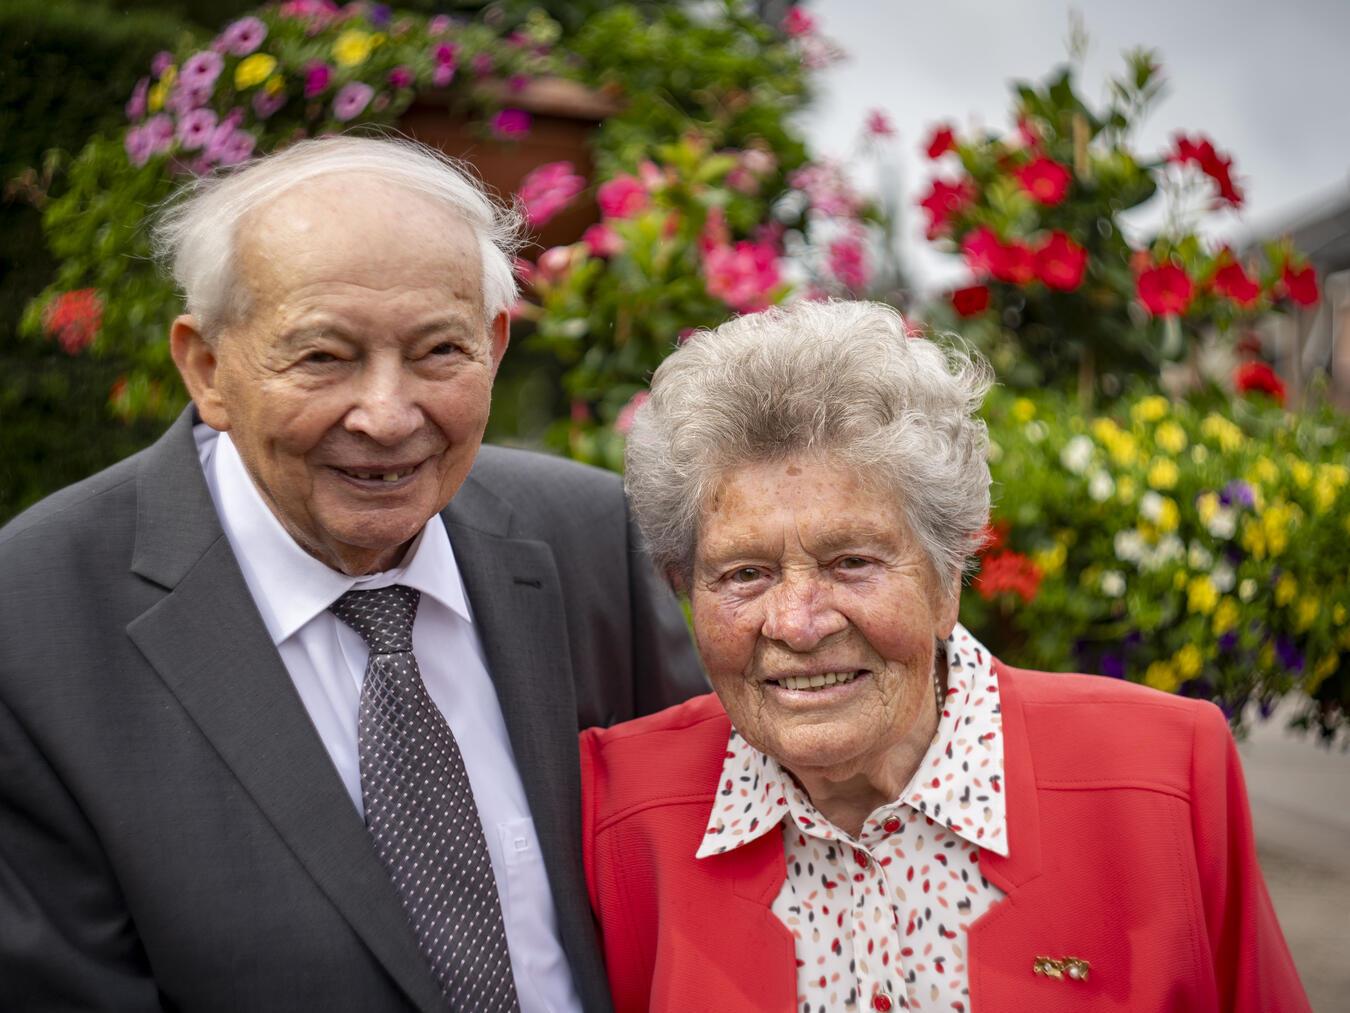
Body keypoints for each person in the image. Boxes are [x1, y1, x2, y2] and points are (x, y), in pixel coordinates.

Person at [0, 136, 704, 1012]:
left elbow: (704, 872)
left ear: (493, 346)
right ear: (208, 368)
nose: (386, 415)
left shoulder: (586, 535)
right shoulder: (32, 627)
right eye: (324, 357)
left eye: (438, 350)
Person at [581, 300, 1311, 1012]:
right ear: (686, 589)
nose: (798, 624)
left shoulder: (1164, 776)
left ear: (947, 580)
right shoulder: (620, 813)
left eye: (852, 562)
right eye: (745, 573)